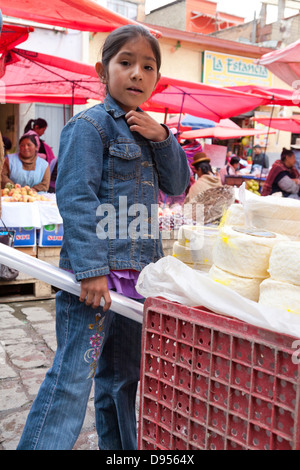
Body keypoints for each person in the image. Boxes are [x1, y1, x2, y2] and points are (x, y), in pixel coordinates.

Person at [17, 24, 190, 451]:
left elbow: (179, 184)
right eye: (126, 63)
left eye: (147, 67)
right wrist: (92, 269)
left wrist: (164, 138)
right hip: (95, 280)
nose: (136, 74)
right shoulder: (90, 127)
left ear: (156, 79)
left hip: (137, 280)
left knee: (121, 381)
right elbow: (75, 198)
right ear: (103, 70)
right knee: (73, 379)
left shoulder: (152, 133)